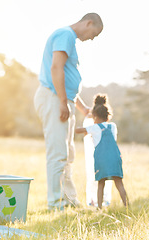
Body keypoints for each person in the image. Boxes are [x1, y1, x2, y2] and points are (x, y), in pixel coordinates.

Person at [33, 13, 103, 210]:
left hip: (63, 99)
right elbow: (56, 69)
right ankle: (55, 203)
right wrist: (63, 102)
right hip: (53, 98)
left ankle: (69, 200)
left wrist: (81, 108)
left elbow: (68, 79)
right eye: (93, 34)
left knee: (68, 154)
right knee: (58, 153)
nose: (91, 39)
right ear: (88, 23)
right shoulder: (65, 34)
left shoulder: (69, 38)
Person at [75, 94, 128, 209]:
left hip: (102, 160)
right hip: (115, 159)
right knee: (119, 183)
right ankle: (127, 206)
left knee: (101, 183)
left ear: (94, 116)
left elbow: (78, 130)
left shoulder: (94, 128)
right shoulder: (113, 126)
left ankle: (99, 207)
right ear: (108, 116)